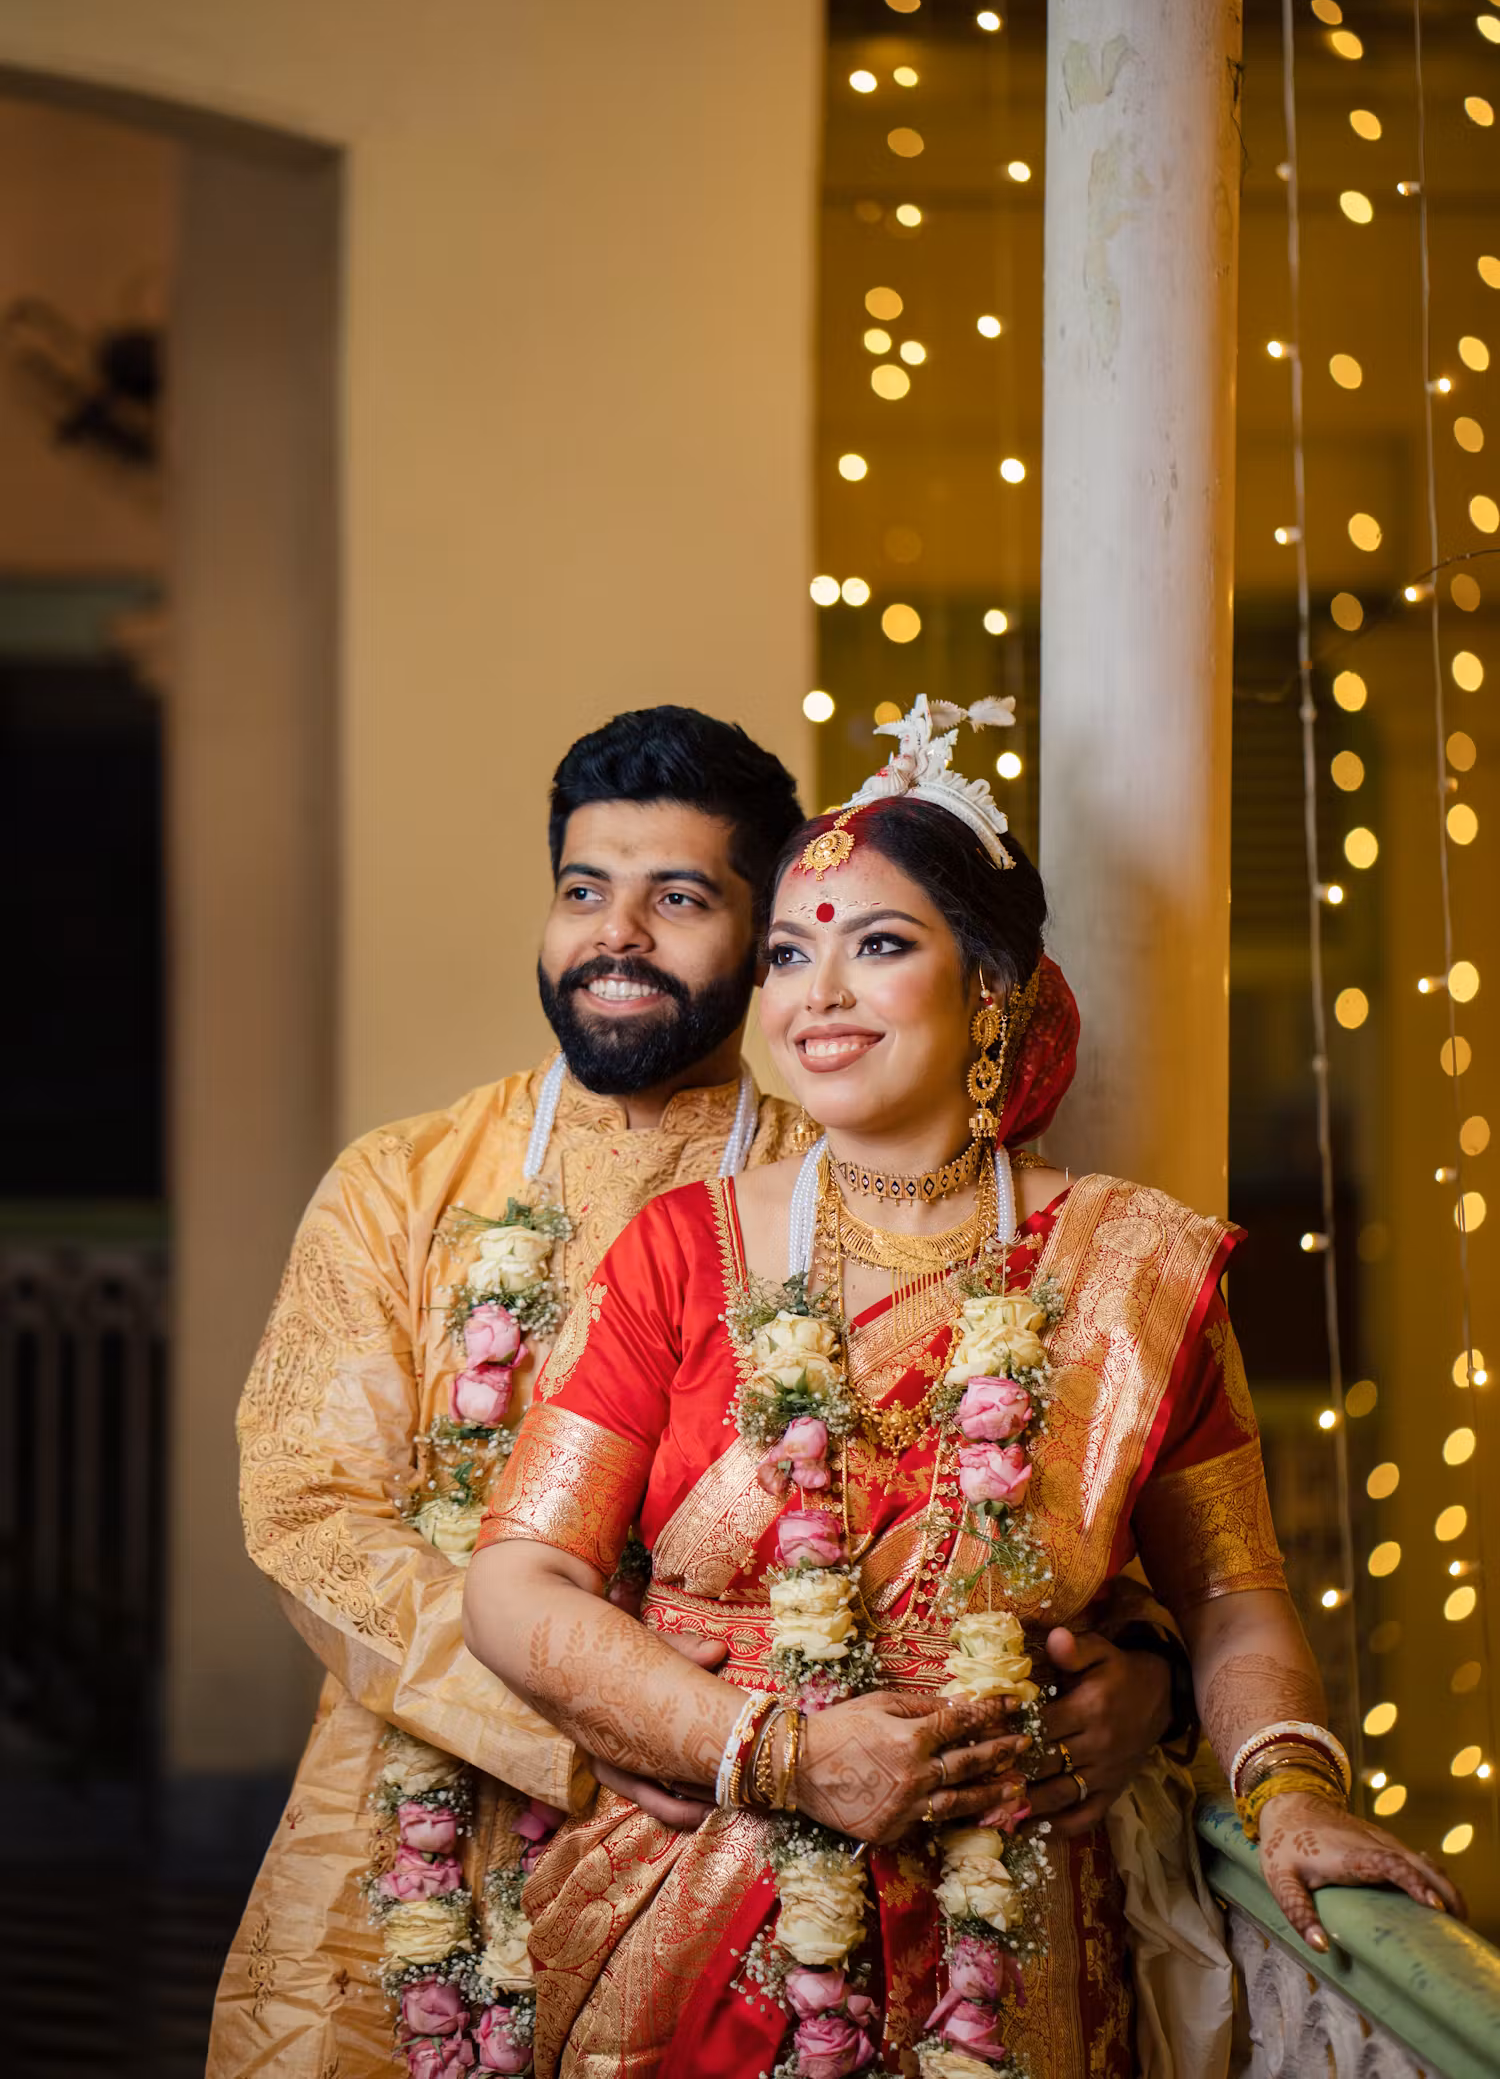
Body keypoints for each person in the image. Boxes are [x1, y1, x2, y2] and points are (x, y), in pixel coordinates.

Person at [466, 696, 1464, 2079]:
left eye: (878, 945)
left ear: (990, 986)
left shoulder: (1137, 1267)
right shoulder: (679, 1251)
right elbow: (516, 1581)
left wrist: (1287, 1789)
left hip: (1020, 1919)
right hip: (690, 1911)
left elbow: (1232, 1594)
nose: (818, 993)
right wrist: (778, 1753)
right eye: (790, 953)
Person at [210, 701, 1177, 2079]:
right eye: (583, 892)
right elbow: (310, 1512)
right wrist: (610, 1715)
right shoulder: (401, 1183)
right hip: (414, 1818)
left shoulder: (861, 1185)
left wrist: (1147, 1666)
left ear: (772, 924)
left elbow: (1011, 1480)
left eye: (678, 897)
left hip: (753, 1865)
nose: (616, 933)